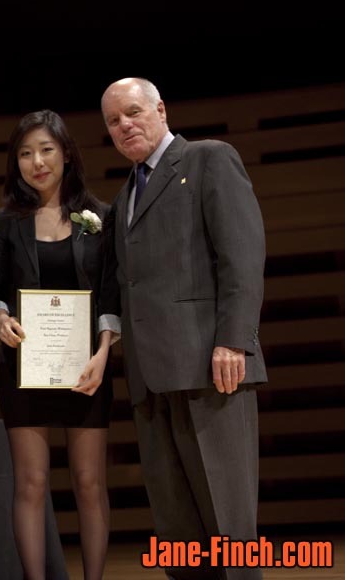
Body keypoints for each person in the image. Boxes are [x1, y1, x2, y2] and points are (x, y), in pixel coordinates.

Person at [101, 77, 267, 580]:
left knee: (229, 525)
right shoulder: (124, 195)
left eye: (133, 112)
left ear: (161, 110)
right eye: (113, 121)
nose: (125, 125)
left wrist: (232, 340)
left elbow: (241, 256)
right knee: (177, 531)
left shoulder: (209, 159)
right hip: (151, 381)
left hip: (210, 368)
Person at [0, 110, 119, 580]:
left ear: (65, 153)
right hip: (24, 368)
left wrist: (104, 354)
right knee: (31, 482)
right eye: (25, 153)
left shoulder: (101, 217)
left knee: (88, 482)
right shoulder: (5, 224)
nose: (36, 161)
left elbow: (110, 294)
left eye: (45, 150)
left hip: (87, 369)